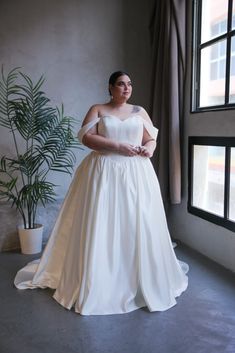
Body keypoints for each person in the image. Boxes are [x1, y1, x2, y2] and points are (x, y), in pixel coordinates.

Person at [14, 70, 188, 315]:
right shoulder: (98, 109)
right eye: (120, 84)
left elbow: (151, 139)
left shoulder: (140, 112)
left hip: (136, 173)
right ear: (110, 87)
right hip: (104, 170)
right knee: (102, 220)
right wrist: (117, 145)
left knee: (135, 221)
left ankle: (136, 276)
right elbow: (86, 138)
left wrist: (149, 148)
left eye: (129, 84)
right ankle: (100, 275)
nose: (126, 88)